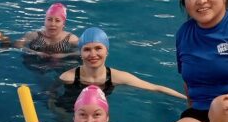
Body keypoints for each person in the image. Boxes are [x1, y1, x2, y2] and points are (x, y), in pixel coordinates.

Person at [56, 27, 186, 101]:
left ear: (107, 51)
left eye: (98, 48)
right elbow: (52, 99)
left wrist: (186, 99)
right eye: (87, 49)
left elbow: (156, 88)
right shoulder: (67, 78)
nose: (93, 54)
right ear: (81, 54)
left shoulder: (118, 77)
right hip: (69, 108)